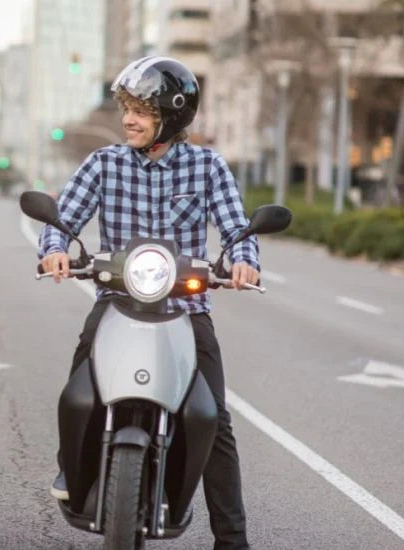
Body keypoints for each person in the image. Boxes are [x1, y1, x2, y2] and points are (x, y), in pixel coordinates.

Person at [39, 56, 259, 550]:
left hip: (186, 310)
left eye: (141, 110)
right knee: (81, 381)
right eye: (126, 109)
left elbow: (235, 227)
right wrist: (54, 250)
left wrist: (243, 261)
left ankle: (233, 539)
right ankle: (71, 466)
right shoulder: (104, 163)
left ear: (172, 115)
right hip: (118, 301)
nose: (129, 120)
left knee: (214, 417)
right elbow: (61, 220)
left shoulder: (207, 167)